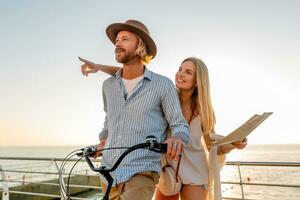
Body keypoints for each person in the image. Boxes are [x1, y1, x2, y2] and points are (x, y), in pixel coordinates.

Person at [79, 56, 248, 200]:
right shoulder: (164, 93)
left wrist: (234, 144)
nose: (180, 74)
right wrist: (100, 67)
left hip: (196, 173)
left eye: (188, 72)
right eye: (180, 69)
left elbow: (212, 145)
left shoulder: (204, 110)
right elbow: (137, 74)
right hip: (169, 171)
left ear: (198, 80)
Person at [82, 19, 190, 200]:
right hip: (108, 173)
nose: (117, 43)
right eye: (117, 40)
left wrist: (177, 138)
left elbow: (179, 124)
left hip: (142, 172)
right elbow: (109, 122)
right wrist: (101, 144)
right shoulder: (108, 85)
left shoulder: (162, 85)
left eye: (124, 39)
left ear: (140, 45)